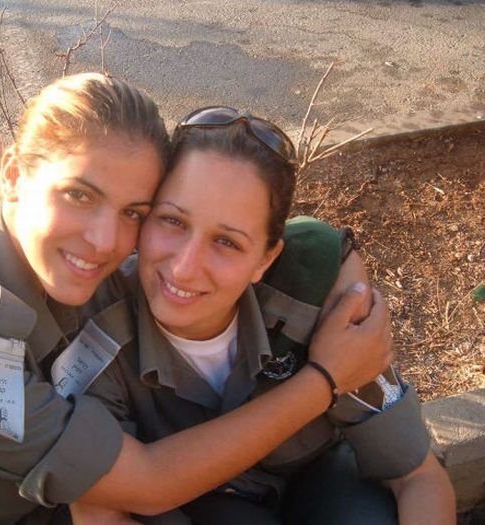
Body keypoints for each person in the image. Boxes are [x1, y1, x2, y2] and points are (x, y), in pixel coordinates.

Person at [0, 75, 393, 525]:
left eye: (134, 212)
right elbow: (146, 482)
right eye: (79, 195)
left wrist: (340, 266)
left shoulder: (55, 257)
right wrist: (324, 380)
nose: (105, 242)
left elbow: (251, 234)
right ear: (13, 176)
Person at [78, 106, 456, 524]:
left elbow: (418, 477)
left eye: (227, 242)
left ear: (266, 258)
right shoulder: (95, 330)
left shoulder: (313, 287)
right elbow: (102, 512)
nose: (185, 266)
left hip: (320, 483)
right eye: (172, 220)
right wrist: (324, 381)